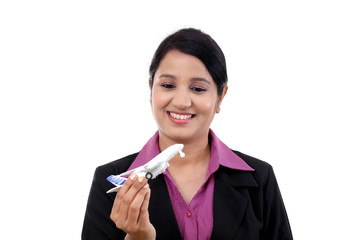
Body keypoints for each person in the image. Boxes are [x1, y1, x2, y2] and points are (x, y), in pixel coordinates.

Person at [82, 28, 293, 240]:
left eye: (198, 89)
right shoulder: (108, 180)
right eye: (167, 85)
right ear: (151, 89)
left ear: (220, 97)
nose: (182, 102)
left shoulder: (260, 179)